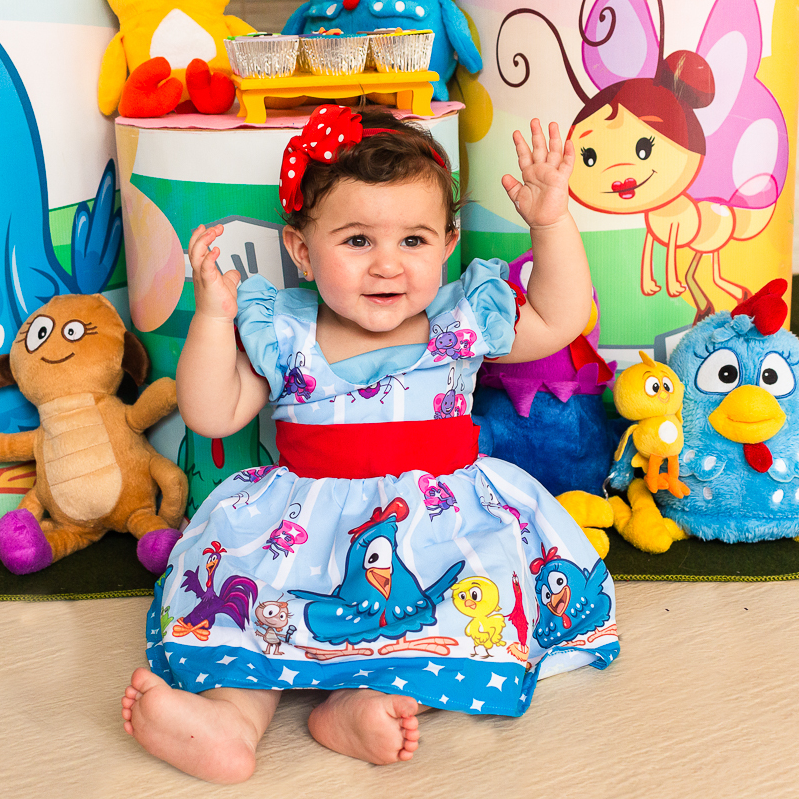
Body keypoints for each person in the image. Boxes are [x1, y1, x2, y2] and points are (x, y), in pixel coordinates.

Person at [121, 105, 619, 783]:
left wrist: (550, 219)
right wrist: (213, 316)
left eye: (413, 241)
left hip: (442, 520)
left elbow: (559, 318)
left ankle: (369, 702)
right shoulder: (285, 327)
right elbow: (212, 414)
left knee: (468, 604)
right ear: (302, 249)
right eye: (357, 241)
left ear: (447, 245)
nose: (387, 265)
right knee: (259, 608)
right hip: (301, 526)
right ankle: (232, 718)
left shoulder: (460, 318)